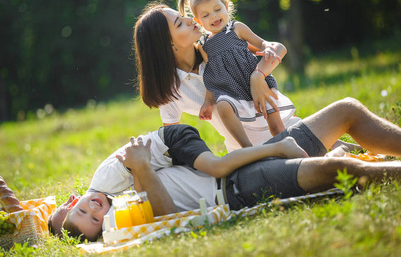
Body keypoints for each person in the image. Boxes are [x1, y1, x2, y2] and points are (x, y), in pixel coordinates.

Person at [51, 97, 401, 242]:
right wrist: (142, 166)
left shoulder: (111, 185)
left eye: (84, 207)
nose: (94, 210)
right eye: (92, 220)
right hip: (238, 189)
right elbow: (168, 217)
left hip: (243, 162)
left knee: (346, 110)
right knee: (337, 168)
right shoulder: (121, 221)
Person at [134, 2, 354, 152]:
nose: (191, 19)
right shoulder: (172, 91)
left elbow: (276, 48)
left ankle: (332, 144)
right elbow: (170, 144)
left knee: (346, 138)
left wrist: (258, 76)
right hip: (249, 152)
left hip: (285, 128)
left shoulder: (218, 44)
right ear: (167, 45)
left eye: (183, 16)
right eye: (179, 23)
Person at [178, 0, 293, 147]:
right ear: (197, 20)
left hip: (257, 85)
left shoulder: (236, 28)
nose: (214, 16)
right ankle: (247, 148)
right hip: (230, 91)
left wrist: (267, 48)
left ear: (226, 5)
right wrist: (208, 102)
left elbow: (261, 43)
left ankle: (290, 149)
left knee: (276, 127)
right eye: (206, 15)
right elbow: (211, 74)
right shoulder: (203, 44)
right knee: (223, 106)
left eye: (217, 9)